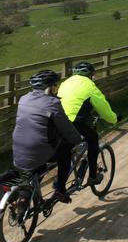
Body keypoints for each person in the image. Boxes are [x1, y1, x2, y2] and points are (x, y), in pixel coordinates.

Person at [12, 69, 83, 203]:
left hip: (18, 148)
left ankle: (26, 195)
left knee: (40, 160)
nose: (56, 88)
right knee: (65, 153)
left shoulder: (23, 99)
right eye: (55, 85)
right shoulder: (53, 103)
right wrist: (78, 139)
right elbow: (67, 128)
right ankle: (61, 190)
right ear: (49, 87)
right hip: (39, 149)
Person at [57, 62, 118, 185]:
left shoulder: (65, 83)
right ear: (91, 75)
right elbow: (104, 108)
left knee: (66, 145)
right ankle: (93, 176)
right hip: (73, 121)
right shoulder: (90, 86)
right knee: (93, 138)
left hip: (58, 119)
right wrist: (114, 119)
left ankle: (59, 180)